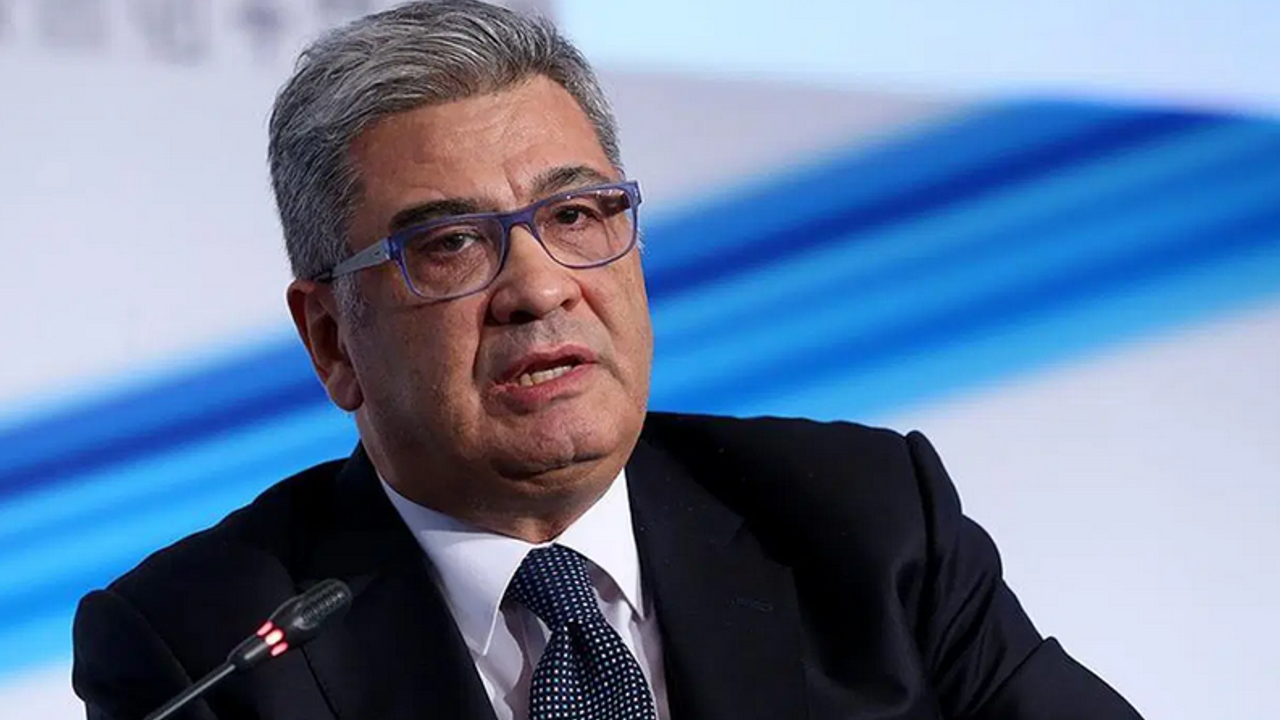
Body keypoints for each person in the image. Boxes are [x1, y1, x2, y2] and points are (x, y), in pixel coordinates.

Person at [72, 2, 1144, 719]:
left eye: (577, 214)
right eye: (450, 245)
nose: (540, 288)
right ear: (330, 339)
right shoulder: (204, 650)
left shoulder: (865, 526)